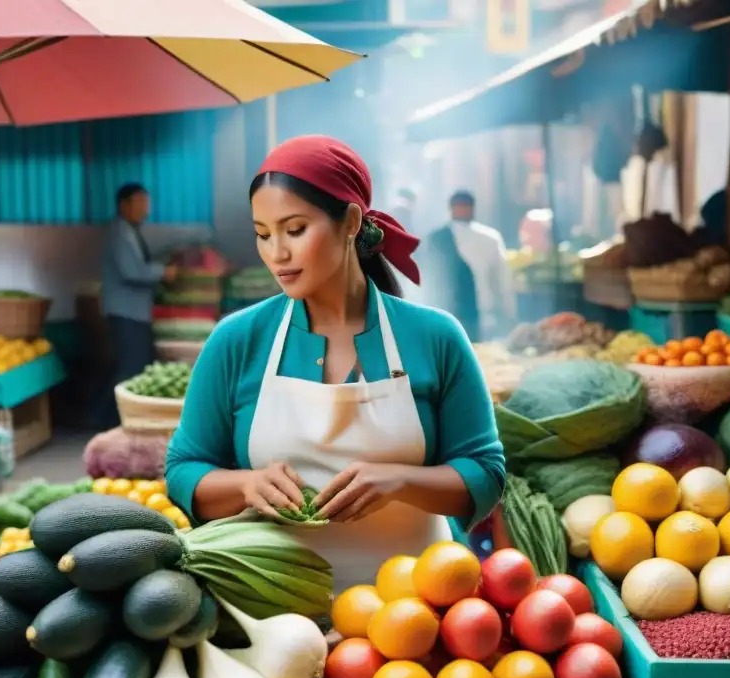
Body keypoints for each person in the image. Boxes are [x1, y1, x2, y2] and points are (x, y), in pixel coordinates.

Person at [164, 136, 505, 594]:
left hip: (414, 609)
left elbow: (485, 472)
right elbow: (185, 469)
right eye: (263, 234)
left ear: (349, 221)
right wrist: (246, 485)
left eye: (295, 229)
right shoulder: (237, 340)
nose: (276, 254)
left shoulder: (435, 336)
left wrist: (401, 481)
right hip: (271, 609)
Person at [99, 183, 175, 425]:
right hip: (126, 312)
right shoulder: (121, 233)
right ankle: (110, 420)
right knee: (130, 369)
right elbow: (133, 270)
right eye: (140, 203)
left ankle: (105, 417)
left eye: (146, 203)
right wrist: (164, 272)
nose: (145, 209)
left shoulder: (129, 231)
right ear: (124, 205)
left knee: (128, 365)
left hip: (134, 311)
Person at [421, 191, 517, 341]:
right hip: (448, 313)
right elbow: (429, 278)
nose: (462, 209)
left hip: (477, 315)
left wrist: (507, 311)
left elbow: (501, 279)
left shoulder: (489, 238)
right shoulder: (438, 238)